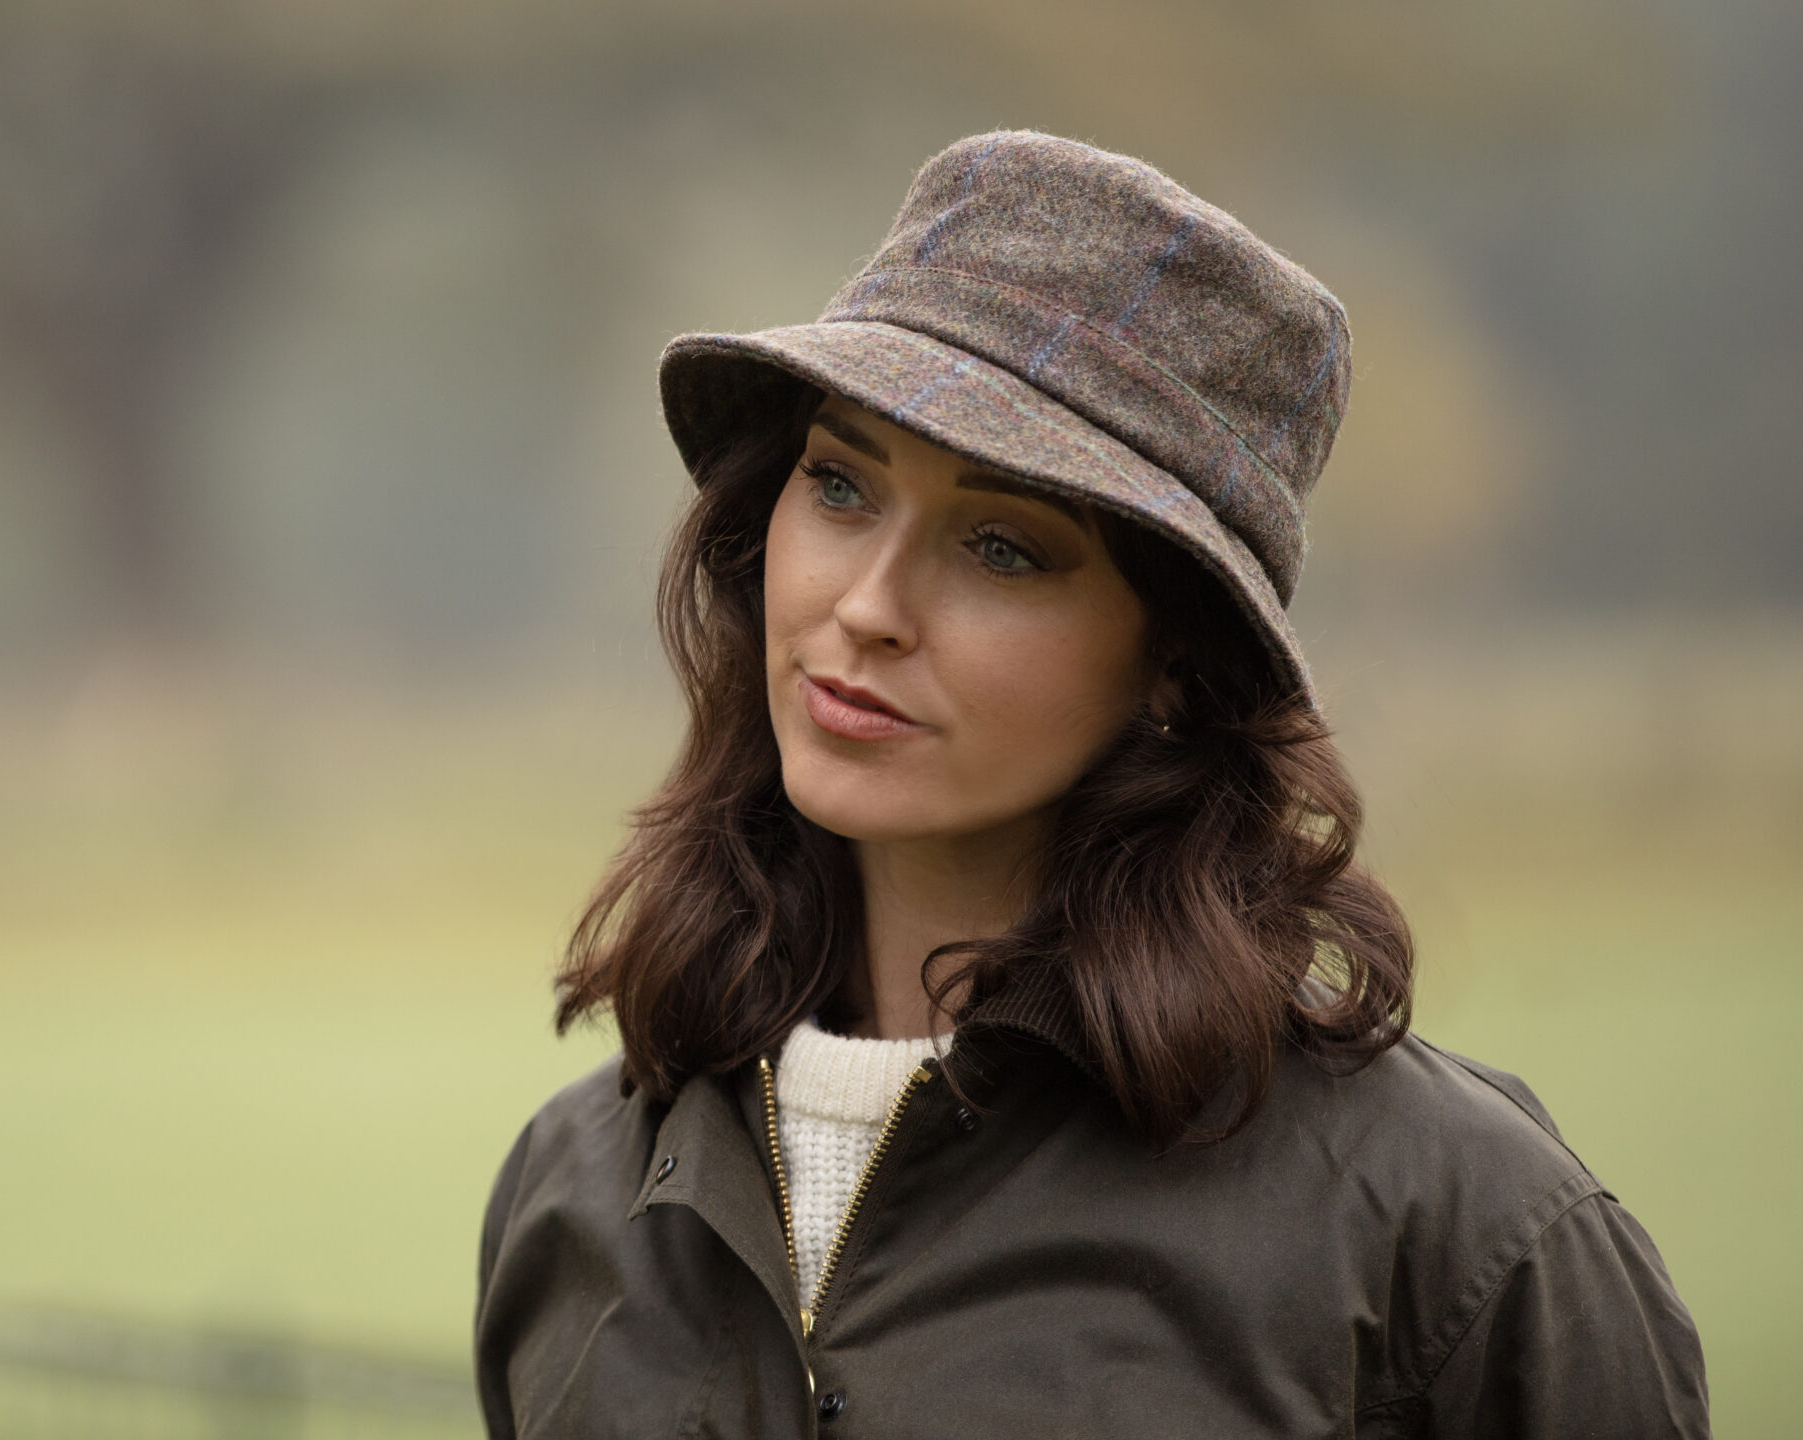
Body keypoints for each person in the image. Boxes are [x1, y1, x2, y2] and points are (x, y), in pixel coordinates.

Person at [471, 132, 1707, 1439]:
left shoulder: (1455, 1236)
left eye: (1004, 546)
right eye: (838, 484)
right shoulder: (574, 1195)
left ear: (1175, 664)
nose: (869, 606)